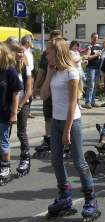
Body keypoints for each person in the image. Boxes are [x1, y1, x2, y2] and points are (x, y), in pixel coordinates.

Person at [40, 38, 100, 222]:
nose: (46, 54)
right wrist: (49, 74)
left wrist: (66, 130)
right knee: (56, 161)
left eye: (48, 51)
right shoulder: (55, 72)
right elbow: (43, 96)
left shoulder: (72, 73)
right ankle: (65, 196)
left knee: (79, 161)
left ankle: (91, 199)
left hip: (71, 122)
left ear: (57, 52)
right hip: (56, 122)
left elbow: (72, 103)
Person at [33, 30, 62, 158]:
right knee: (48, 115)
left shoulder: (65, 54)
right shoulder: (46, 54)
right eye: (53, 39)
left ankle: (63, 141)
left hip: (61, 92)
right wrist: (35, 86)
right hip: (48, 88)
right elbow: (41, 71)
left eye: (58, 39)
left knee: (61, 116)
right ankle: (48, 140)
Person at [0, 42, 22, 185]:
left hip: (4, 113)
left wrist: (14, 113)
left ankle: (5, 168)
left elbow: (15, 93)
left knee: (3, 142)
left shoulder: (10, 70)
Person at [12, 44, 32, 176]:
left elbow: (28, 90)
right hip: (10, 104)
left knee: (21, 132)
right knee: (5, 133)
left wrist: (19, 106)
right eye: (17, 52)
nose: (19, 54)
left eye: (21, 52)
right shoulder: (9, 68)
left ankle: (25, 158)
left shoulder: (26, 68)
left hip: (23, 103)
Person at [85, 32, 102, 109]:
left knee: (95, 86)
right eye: (94, 38)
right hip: (91, 68)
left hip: (97, 68)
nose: (95, 39)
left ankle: (93, 102)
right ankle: (87, 102)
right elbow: (87, 57)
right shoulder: (89, 47)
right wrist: (96, 55)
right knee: (91, 85)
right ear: (91, 38)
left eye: (97, 38)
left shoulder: (99, 47)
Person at [20, 35, 35, 118]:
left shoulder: (28, 50)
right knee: (27, 93)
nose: (32, 43)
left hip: (30, 73)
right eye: (31, 41)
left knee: (29, 94)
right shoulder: (22, 51)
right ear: (27, 42)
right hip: (26, 74)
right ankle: (24, 110)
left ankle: (28, 111)